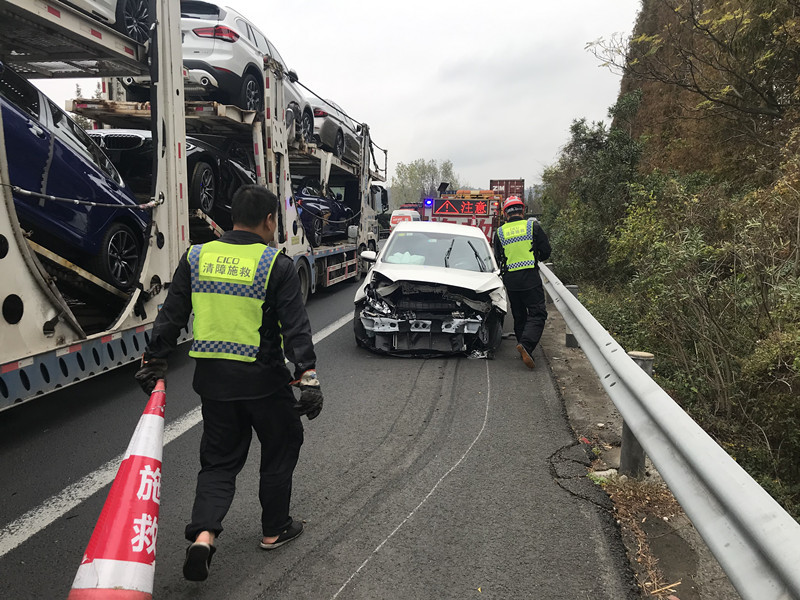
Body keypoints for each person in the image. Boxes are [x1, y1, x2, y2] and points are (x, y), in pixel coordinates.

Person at [134, 185, 322, 582]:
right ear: (270, 220)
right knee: (281, 445)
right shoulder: (276, 264)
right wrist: (307, 377)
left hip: (214, 384)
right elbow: (295, 328)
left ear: (232, 216)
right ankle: (275, 529)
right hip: (264, 381)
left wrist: (154, 359)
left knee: (218, 462)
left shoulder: (197, 256)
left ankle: (203, 537)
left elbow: (172, 313)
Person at [492, 196, 551, 369]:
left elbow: (498, 257)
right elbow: (546, 251)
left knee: (519, 315)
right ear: (522, 210)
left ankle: (524, 348)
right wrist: (535, 256)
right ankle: (526, 344)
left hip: (511, 280)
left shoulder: (500, 232)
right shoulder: (533, 226)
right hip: (530, 278)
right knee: (538, 313)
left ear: (505, 214)